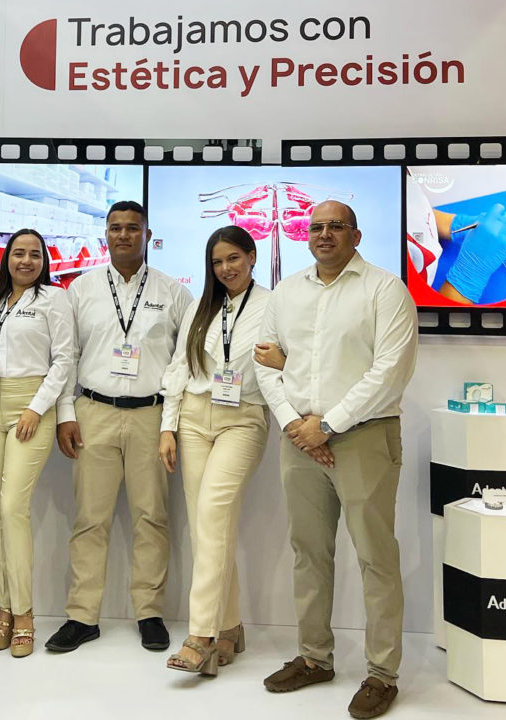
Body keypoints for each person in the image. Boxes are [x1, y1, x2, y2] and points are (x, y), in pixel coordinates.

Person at [254, 200, 417, 720]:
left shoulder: (385, 290)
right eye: (316, 227)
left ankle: (382, 674)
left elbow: (389, 371)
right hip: (299, 439)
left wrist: (328, 425)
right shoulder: (286, 293)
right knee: (308, 552)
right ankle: (314, 658)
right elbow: (265, 363)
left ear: (356, 235)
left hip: (364, 438)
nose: (324, 234)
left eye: (336, 227)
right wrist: (295, 424)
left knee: (375, 557)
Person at [47, 201, 192, 653]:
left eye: (133, 228)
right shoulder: (81, 289)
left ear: (148, 234)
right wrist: (66, 414)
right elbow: (67, 356)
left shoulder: (173, 292)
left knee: (152, 517)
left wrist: (170, 424)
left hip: (151, 415)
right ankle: (82, 616)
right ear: (105, 235)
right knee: (90, 518)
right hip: (94, 412)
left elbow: (183, 361)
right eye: (116, 228)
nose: (124, 235)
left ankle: (149, 613)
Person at [158, 226, 280, 677]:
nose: (226, 268)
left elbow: (294, 360)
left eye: (233, 258)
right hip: (193, 418)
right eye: (217, 262)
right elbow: (179, 367)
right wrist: (168, 427)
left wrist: (285, 363)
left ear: (252, 256)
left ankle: (200, 635)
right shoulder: (200, 306)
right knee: (206, 526)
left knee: (212, 515)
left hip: (243, 419)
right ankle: (229, 626)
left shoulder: (273, 305)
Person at [0, 229, 75, 658]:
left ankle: (26, 614)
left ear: (44, 261)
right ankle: (5, 610)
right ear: (6, 258)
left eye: (34, 254)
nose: (26, 261)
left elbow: (64, 360)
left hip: (31, 406)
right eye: (18, 253)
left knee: (14, 506)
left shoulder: (54, 299)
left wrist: (37, 408)